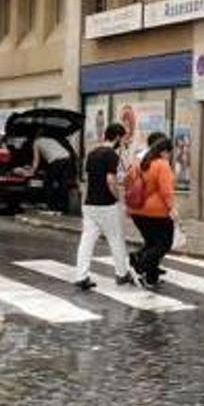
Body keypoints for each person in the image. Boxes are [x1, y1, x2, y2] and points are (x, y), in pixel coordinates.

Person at [74, 123, 135, 291]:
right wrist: (119, 199)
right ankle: (122, 274)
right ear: (117, 137)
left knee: (87, 241)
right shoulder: (111, 155)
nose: (123, 142)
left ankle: (81, 276)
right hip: (107, 205)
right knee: (116, 239)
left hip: (89, 204)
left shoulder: (92, 154)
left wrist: (84, 202)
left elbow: (86, 181)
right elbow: (110, 180)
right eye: (122, 139)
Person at [128, 138, 177, 289]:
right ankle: (138, 264)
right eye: (169, 153)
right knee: (164, 244)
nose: (169, 156)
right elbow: (166, 191)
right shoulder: (162, 165)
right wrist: (172, 208)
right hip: (156, 212)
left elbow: (127, 181)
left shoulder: (139, 163)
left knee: (151, 243)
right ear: (164, 152)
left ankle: (151, 277)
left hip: (137, 211)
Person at [25, 128, 75, 212]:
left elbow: (36, 160)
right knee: (63, 183)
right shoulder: (51, 139)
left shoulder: (36, 143)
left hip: (56, 161)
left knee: (48, 183)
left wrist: (31, 172)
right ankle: (64, 207)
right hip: (67, 158)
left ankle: (51, 206)